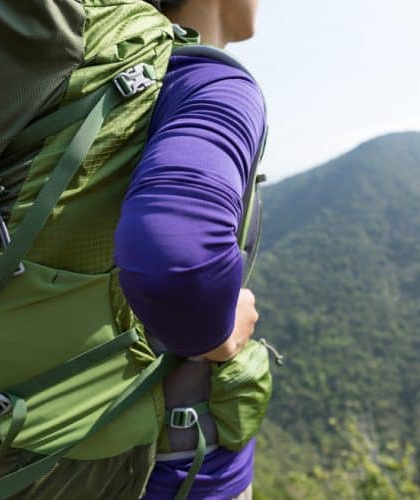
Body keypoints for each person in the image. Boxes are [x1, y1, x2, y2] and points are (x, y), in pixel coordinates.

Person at [114, 0, 266, 498]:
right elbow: (176, 258)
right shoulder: (209, 84)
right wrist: (218, 334)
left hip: (22, 455)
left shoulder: (89, 88)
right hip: (176, 473)